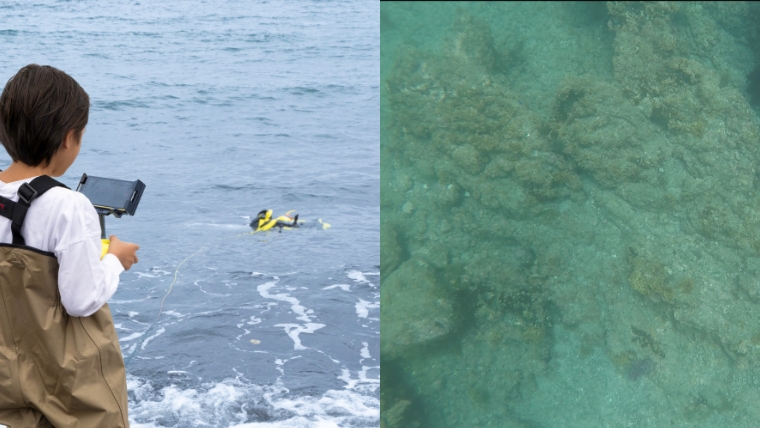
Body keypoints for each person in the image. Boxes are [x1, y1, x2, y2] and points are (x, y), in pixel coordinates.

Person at [0, 64, 139, 427]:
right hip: (65, 381)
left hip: (8, 372)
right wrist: (114, 259)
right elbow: (80, 300)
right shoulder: (69, 205)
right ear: (67, 138)